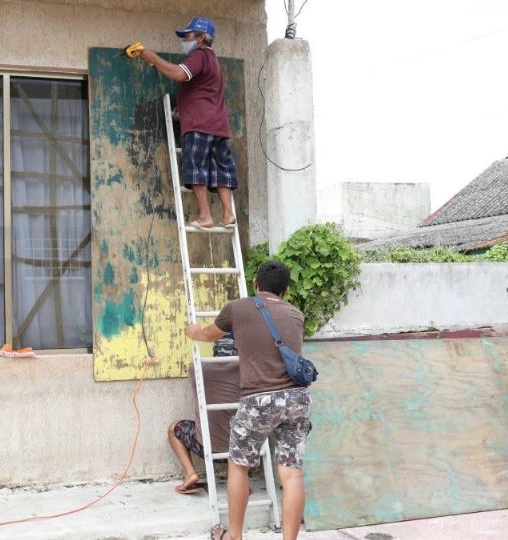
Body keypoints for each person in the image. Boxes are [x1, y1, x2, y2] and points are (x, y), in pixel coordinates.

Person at [184, 260, 310, 540]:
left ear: (255, 285)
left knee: (239, 465)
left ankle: (235, 535)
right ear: (286, 291)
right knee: (292, 474)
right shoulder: (296, 314)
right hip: (296, 399)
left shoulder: (238, 308)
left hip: (259, 399)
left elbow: (209, 335)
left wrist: (193, 332)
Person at [138, 16, 239, 230]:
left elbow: (178, 74)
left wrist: (152, 57)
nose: (184, 39)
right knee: (222, 170)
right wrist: (181, 112)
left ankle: (205, 216)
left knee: (196, 168)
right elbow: (201, 95)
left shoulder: (199, 54)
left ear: (201, 37)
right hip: (218, 126)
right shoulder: (212, 59)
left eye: (188, 35)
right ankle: (228, 214)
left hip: (199, 126)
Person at [168, 334, 239, 494]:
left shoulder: (196, 369)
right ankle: (238, 481)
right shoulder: (247, 372)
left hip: (206, 446)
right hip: (240, 449)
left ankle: (190, 474)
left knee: (173, 428)